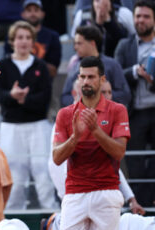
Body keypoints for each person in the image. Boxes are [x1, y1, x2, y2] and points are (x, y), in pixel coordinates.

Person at [53, 56, 130, 230]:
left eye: (91, 77)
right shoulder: (64, 114)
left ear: (102, 79)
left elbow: (119, 152)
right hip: (74, 193)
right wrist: (74, 138)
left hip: (107, 190)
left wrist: (95, 130)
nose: (85, 81)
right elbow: (56, 158)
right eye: (82, 77)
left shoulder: (118, 110)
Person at [49, 79, 145, 214]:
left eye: (109, 92)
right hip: (75, 197)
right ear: (76, 93)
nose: (105, 96)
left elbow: (113, 162)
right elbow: (55, 164)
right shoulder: (64, 118)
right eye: (102, 92)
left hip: (104, 195)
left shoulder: (109, 116)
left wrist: (130, 198)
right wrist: (67, 197)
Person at [0, 21, 55, 210]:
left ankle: (52, 217)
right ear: (12, 41)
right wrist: (12, 96)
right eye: (20, 37)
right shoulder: (2, 65)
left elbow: (45, 97)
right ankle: (12, 219)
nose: (24, 41)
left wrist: (23, 100)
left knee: (43, 173)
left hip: (38, 126)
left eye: (28, 38)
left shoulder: (41, 66)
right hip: (11, 127)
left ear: (33, 41)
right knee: (15, 177)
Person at [114, 0, 155, 207]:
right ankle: (141, 207)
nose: (141, 20)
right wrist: (135, 72)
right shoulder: (125, 44)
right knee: (135, 163)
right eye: (138, 16)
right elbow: (115, 73)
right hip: (135, 113)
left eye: (146, 16)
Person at [61, 25, 131, 108]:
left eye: (79, 43)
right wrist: (81, 99)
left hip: (108, 117)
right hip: (81, 117)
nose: (75, 47)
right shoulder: (75, 67)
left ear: (92, 43)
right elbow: (64, 97)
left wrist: (103, 95)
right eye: (83, 77)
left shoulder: (112, 65)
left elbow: (125, 95)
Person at [3, 0, 62, 78]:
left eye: (36, 10)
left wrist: (27, 60)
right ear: (22, 14)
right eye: (29, 10)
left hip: (42, 83)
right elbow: (7, 64)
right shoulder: (13, 35)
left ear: (42, 14)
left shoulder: (53, 36)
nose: (32, 13)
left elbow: (53, 71)